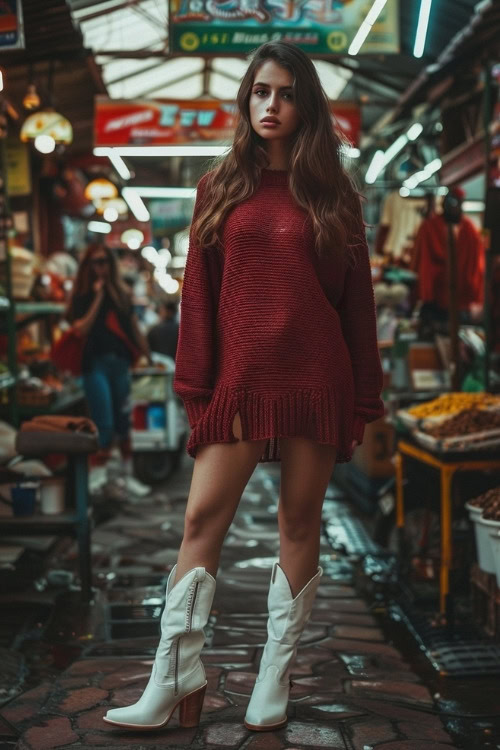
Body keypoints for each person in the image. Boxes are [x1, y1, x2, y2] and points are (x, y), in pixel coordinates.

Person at [103, 41, 384, 733]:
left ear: (306, 104)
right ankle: (175, 677)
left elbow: (358, 309)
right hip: (238, 383)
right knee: (200, 523)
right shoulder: (220, 187)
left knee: (298, 523)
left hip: (316, 382)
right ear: (246, 100)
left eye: (286, 93)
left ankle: (274, 675)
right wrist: (196, 387)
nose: (271, 105)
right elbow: (197, 300)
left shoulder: (334, 197)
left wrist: (366, 400)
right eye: (260, 92)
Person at [66, 242, 151, 472]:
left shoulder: (122, 293)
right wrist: (98, 297)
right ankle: (100, 479)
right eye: (95, 262)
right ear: (88, 265)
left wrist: (148, 356)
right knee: (104, 423)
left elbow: (133, 328)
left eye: (104, 262)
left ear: (111, 264)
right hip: (95, 364)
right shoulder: (83, 295)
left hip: (120, 362)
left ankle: (124, 475)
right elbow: (81, 329)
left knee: (124, 422)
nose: (99, 267)